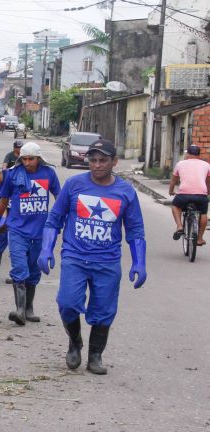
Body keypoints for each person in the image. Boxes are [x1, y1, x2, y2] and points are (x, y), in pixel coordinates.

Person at [38, 139, 146, 375]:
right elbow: (54, 218)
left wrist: (139, 261)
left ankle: (95, 355)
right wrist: (46, 248)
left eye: (103, 160)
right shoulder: (74, 184)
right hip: (75, 257)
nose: (97, 165)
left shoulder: (125, 191)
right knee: (67, 303)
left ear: (114, 162)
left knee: (104, 310)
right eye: (93, 160)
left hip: (107, 261)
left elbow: (135, 229)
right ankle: (75, 341)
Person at [0, 142, 61, 325]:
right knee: (19, 267)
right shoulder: (13, 175)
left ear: (39, 158)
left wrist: (60, 219)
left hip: (40, 231)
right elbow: (3, 202)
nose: (28, 163)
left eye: (31, 159)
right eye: (25, 159)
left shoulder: (49, 173)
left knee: (34, 271)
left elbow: (59, 198)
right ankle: (19, 310)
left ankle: (29, 309)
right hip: (17, 230)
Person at [169, 144, 210, 245]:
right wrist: (208, 191)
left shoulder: (180, 164)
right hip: (201, 195)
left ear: (188, 154)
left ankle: (179, 226)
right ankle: (200, 239)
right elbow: (208, 181)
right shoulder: (206, 165)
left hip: (184, 195)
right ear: (199, 154)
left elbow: (173, 180)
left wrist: (171, 190)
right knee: (203, 214)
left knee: (175, 206)